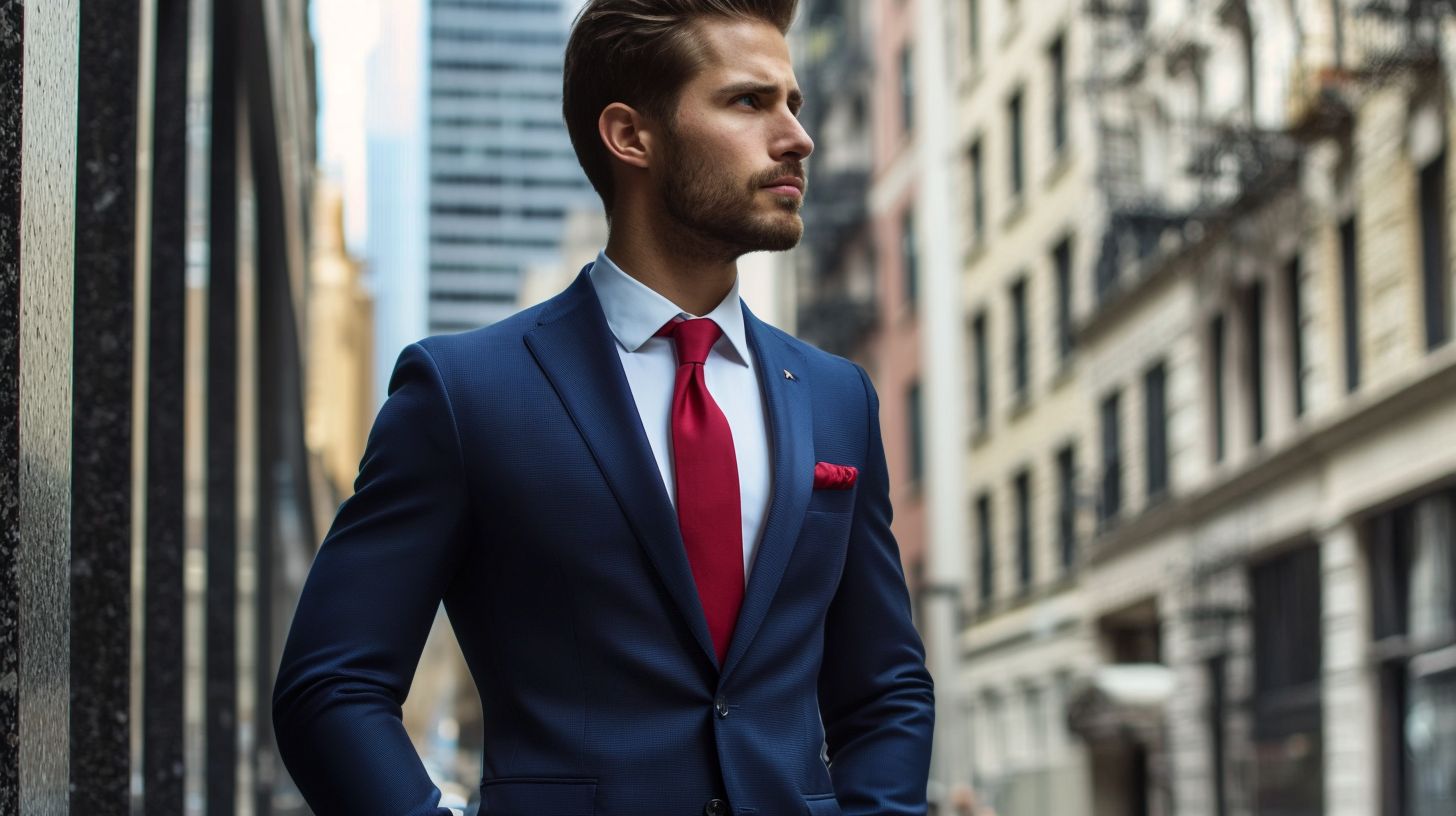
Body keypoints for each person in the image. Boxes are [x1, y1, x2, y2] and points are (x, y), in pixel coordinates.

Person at [271, 0, 934, 812]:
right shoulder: (464, 393)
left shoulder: (838, 398)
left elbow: (886, 690)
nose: (796, 135)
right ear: (631, 136)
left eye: (792, 103)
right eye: (749, 101)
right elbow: (330, 685)